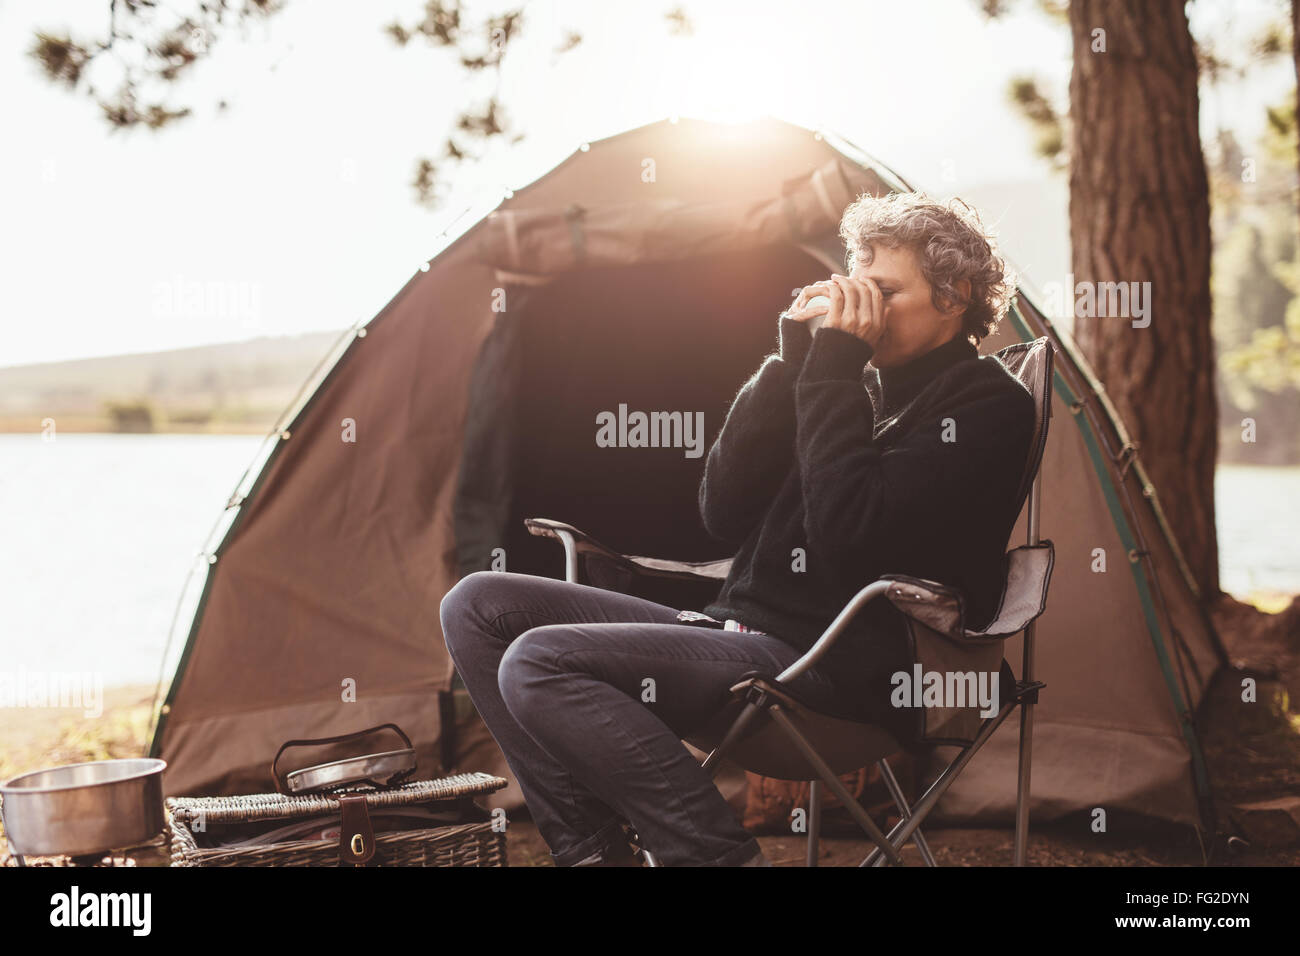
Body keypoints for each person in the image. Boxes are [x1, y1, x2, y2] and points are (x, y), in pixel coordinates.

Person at [439, 191, 1036, 867]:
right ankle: (595, 855)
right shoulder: (844, 385)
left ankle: (717, 858)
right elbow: (721, 509)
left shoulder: (987, 407)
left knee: (540, 663)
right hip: (736, 638)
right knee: (477, 606)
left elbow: (849, 539)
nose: (859, 310)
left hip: (838, 673)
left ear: (955, 296)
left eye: (886, 292)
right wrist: (791, 361)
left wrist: (833, 370)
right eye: (857, 288)